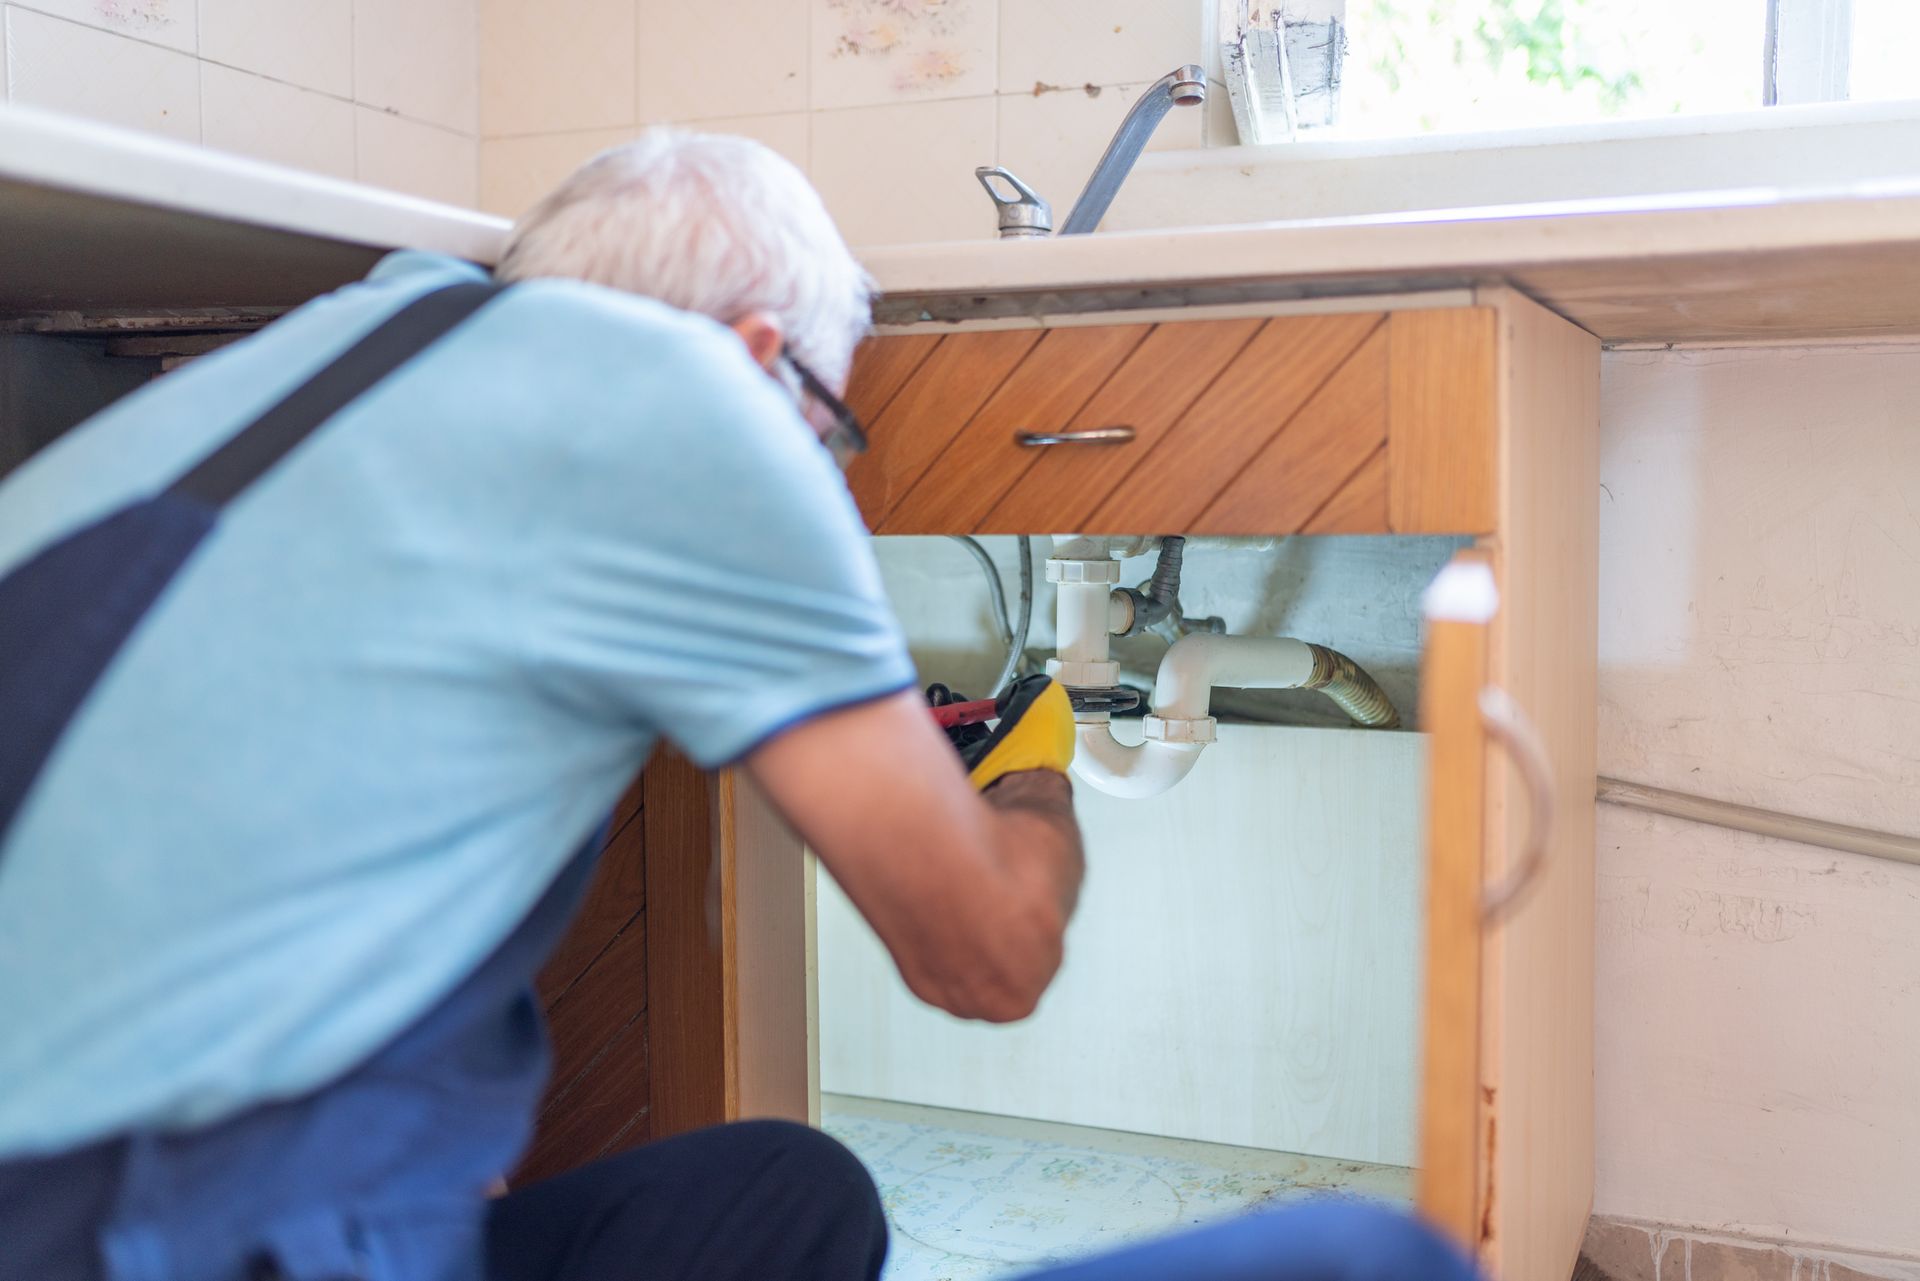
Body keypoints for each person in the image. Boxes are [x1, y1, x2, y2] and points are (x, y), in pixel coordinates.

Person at [0, 130, 1477, 1281]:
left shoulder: (349, 346)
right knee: (1373, 1255)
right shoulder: (696, 400)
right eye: (830, 432)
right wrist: (1034, 779)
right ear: (767, 354)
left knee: (786, 1193)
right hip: (129, 1233)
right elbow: (988, 956)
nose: (820, 482)